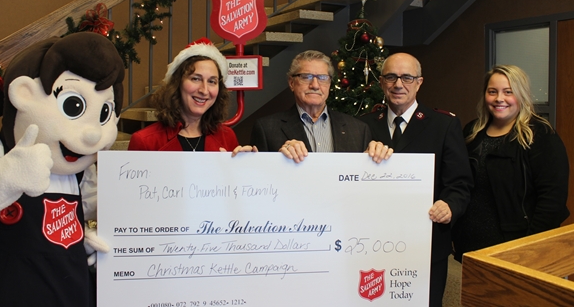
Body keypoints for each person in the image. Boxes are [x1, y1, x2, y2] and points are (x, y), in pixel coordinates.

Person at [0, 32, 125, 306]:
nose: (93, 134)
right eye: (74, 106)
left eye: (104, 113)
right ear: (24, 94)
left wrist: (80, 239)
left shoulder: (79, 174)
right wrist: (2, 182)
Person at [360, 52, 473, 307]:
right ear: (381, 82)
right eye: (391, 77)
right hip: (373, 242)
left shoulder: (444, 125)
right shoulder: (364, 126)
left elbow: (460, 183)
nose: (398, 84)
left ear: (419, 82)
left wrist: (450, 205)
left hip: (427, 242)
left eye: (407, 77)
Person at [452, 65, 569, 262]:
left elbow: (552, 201)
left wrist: (529, 247)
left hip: (515, 247)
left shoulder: (540, 135)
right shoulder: (472, 132)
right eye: (492, 92)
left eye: (508, 92)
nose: (499, 98)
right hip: (470, 244)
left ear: (521, 95)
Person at [250, 50, 392, 162]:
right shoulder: (266, 129)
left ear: (330, 83)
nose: (315, 85)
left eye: (322, 78)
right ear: (291, 83)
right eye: (306, 77)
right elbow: (259, 179)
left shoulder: (358, 130)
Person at [128, 37, 254, 154]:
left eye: (212, 81)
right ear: (177, 83)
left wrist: (245, 169)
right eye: (196, 79)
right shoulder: (144, 141)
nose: (204, 90)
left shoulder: (227, 137)